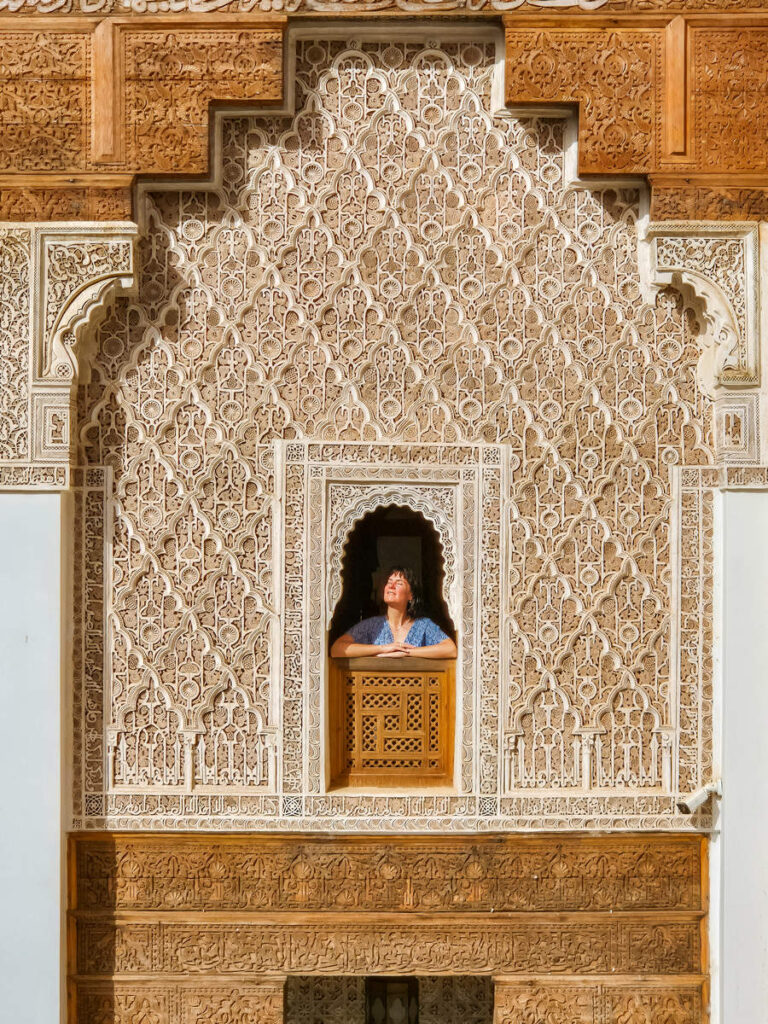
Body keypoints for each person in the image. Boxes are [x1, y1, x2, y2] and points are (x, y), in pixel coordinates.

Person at [330, 566, 457, 659]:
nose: (391, 586)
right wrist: (383, 649)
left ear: (411, 595)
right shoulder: (371, 625)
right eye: (389, 582)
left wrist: (407, 652)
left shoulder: (423, 625)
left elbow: (450, 649)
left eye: (399, 583)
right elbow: (337, 649)